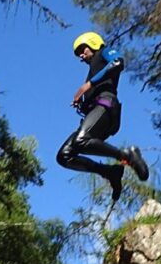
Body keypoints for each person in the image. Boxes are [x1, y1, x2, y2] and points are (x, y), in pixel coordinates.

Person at [57, 32, 149, 202]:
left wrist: (88, 85)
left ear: (92, 43)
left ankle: (128, 155)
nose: (81, 56)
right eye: (78, 54)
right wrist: (83, 103)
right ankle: (110, 172)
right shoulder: (93, 70)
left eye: (82, 50)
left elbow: (118, 62)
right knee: (64, 156)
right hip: (95, 113)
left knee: (80, 140)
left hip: (106, 105)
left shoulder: (104, 52)